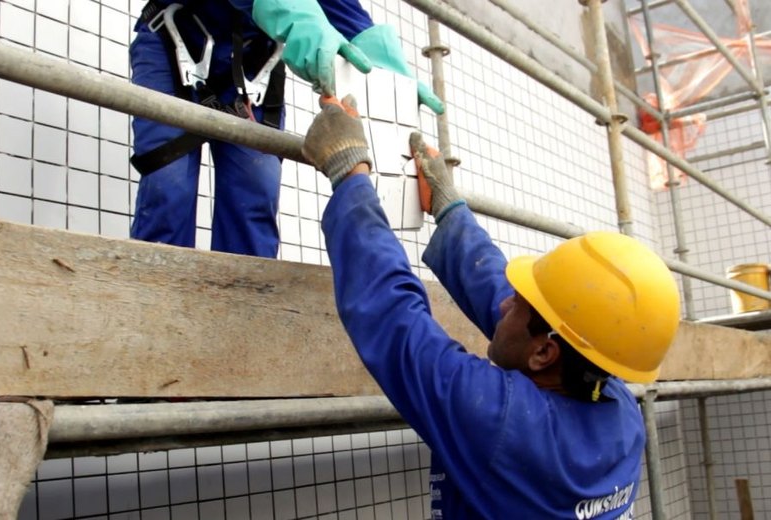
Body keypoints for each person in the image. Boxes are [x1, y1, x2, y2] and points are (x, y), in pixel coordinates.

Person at [302, 95, 681, 518]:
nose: (502, 306)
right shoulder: (618, 411)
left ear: (544, 353)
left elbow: (394, 319)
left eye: (517, 306)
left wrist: (349, 171)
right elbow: (528, 313)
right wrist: (450, 210)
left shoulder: (501, 423)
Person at [129, 0, 444, 255]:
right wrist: (297, 17)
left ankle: (243, 322)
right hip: (174, 43)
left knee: (254, 194)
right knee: (168, 189)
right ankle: (153, 317)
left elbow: (344, 12)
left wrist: (389, 73)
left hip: (251, 71)